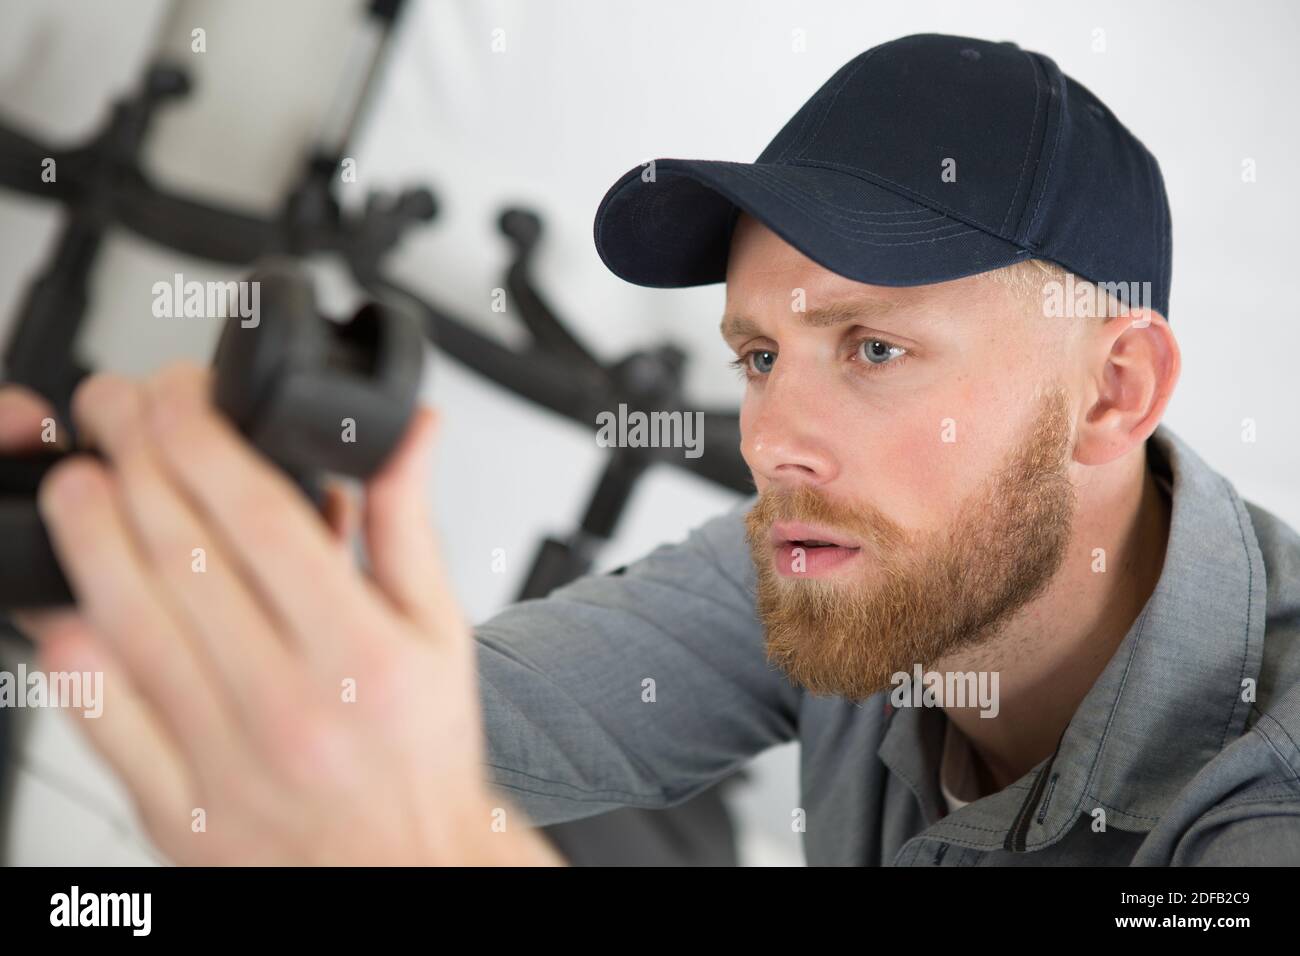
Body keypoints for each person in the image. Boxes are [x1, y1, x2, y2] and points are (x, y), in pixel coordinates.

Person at [3, 33, 1299, 865]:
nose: (775, 438)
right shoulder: (847, 573)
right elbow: (448, 721)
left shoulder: (1265, 797)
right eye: (759, 357)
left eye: (874, 351)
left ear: (1113, 393)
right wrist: (69, 537)